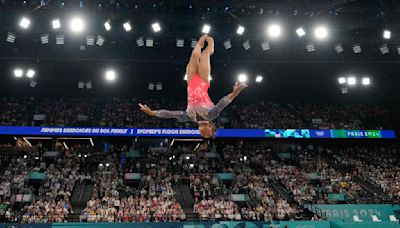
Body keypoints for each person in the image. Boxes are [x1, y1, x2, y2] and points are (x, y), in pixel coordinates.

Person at [139, 35, 247, 138]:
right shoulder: (211, 115)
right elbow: (222, 104)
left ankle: (200, 44)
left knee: (194, 56)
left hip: (190, 81)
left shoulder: (189, 117)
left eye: (202, 135)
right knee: (204, 54)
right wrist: (234, 93)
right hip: (203, 81)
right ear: (211, 127)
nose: (204, 134)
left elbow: (170, 114)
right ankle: (210, 48)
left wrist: (153, 113)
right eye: (208, 134)